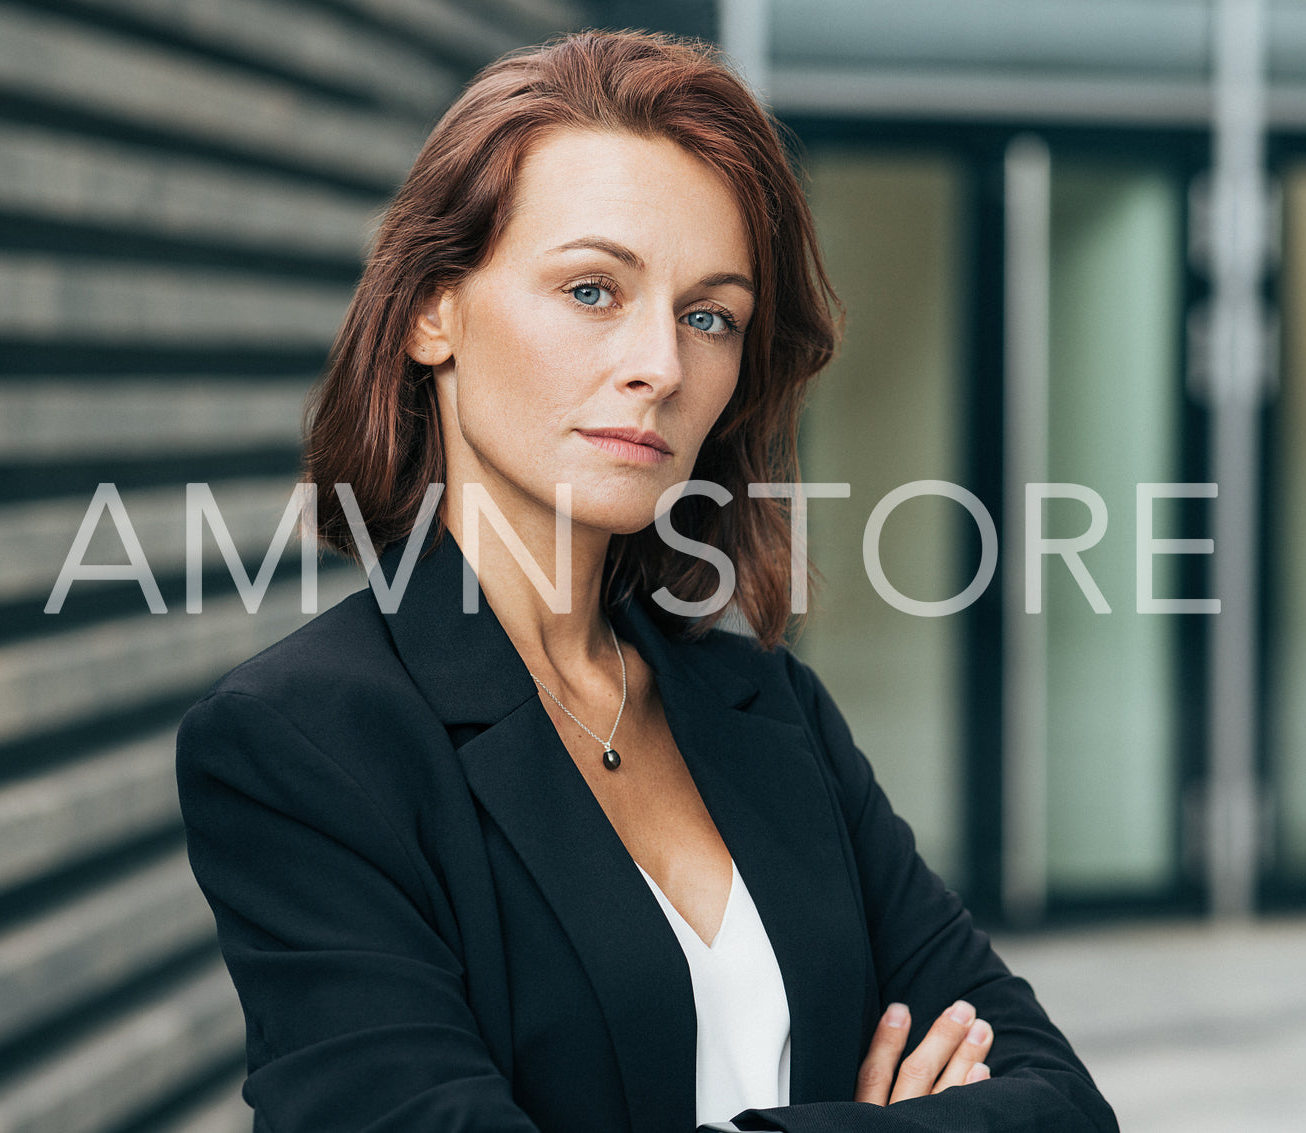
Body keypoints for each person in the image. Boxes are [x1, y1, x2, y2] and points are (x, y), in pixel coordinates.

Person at [175, 29, 1118, 1133]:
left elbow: (1058, 1105)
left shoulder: (764, 704)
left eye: (708, 315)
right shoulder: (304, 742)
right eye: (590, 289)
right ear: (434, 309)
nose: (660, 366)